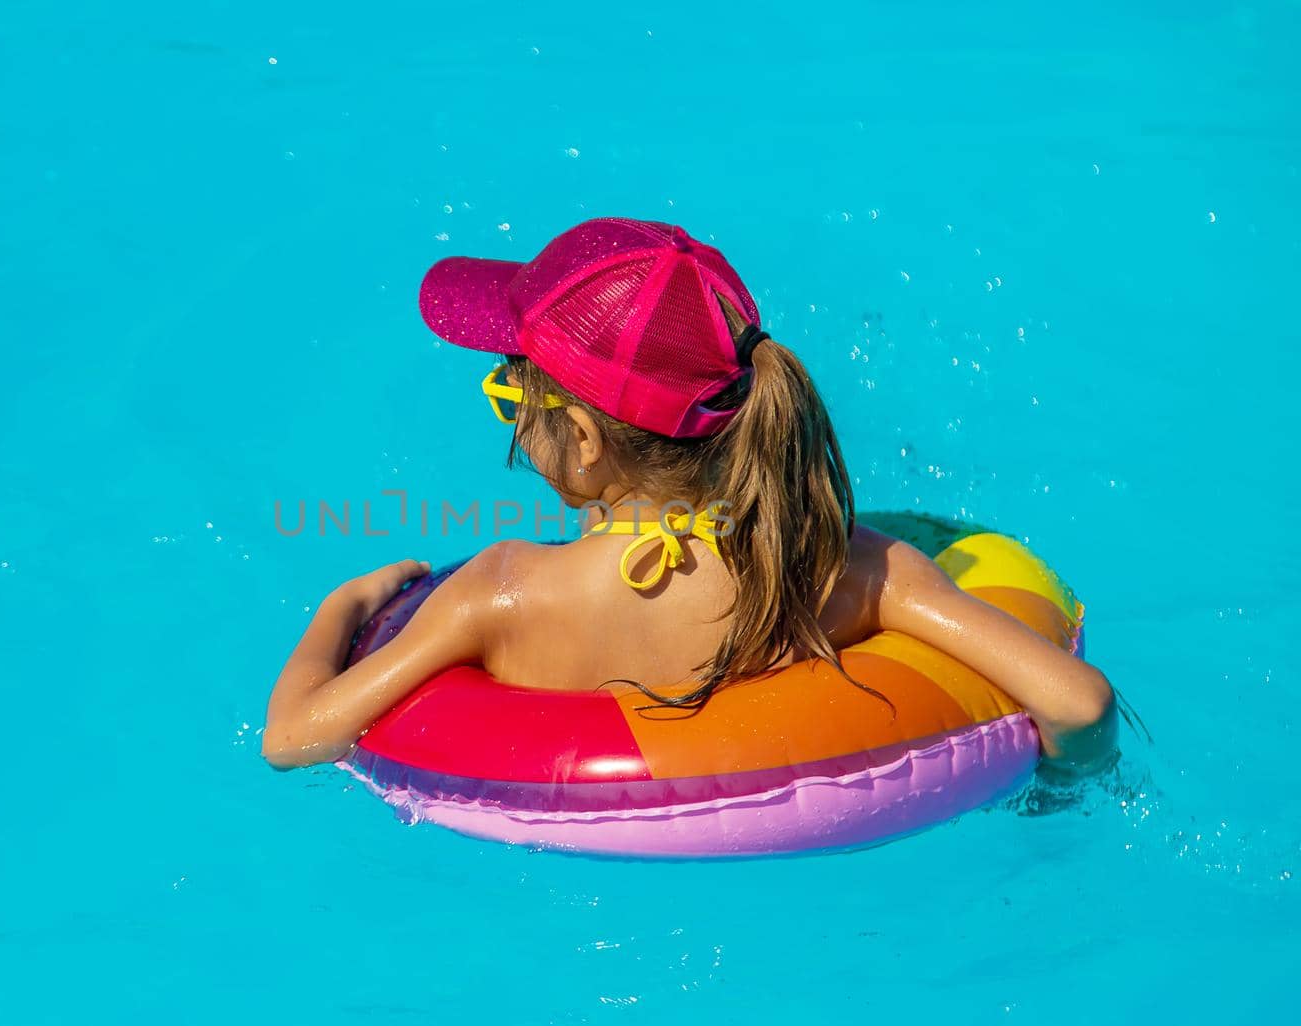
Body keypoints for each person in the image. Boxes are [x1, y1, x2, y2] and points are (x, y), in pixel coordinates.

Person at [262, 217, 1115, 773]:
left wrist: (345, 606)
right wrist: (1049, 791)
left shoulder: (499, 594)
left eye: (511, 397)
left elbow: (295, 739)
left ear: (586, 440)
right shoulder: (840, 570)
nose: (510, 419)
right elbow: (1080, 703)